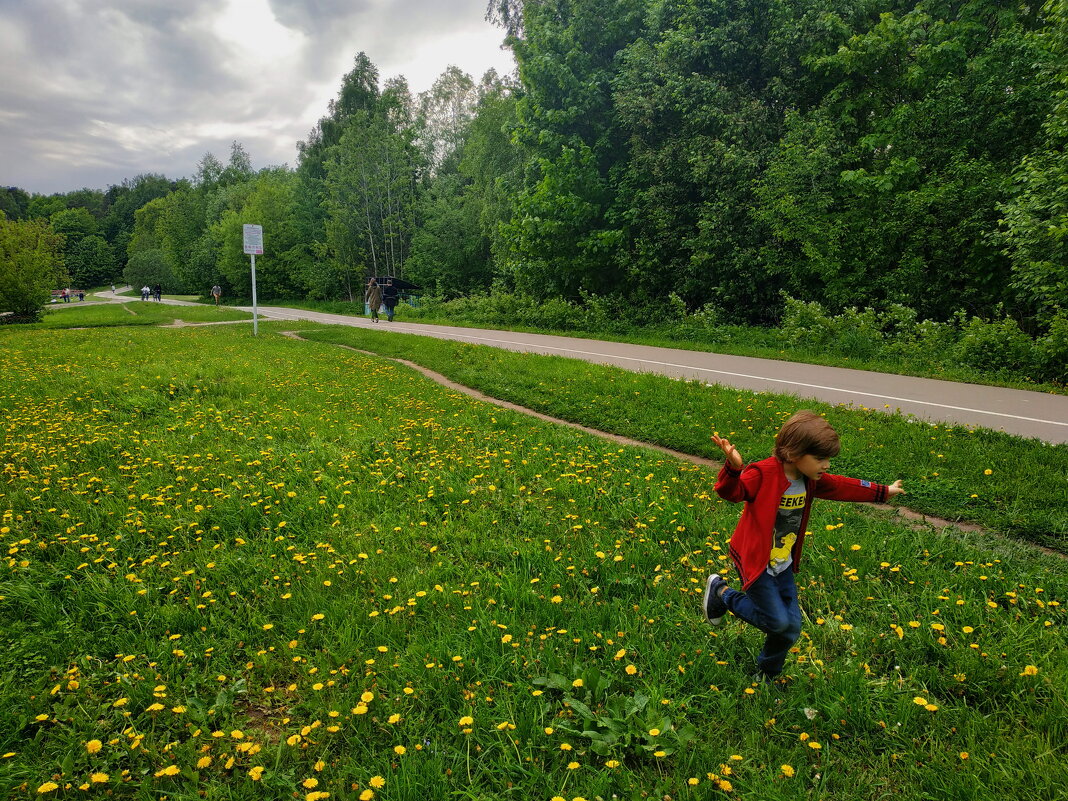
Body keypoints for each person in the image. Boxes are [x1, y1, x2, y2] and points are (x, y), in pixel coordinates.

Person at [703, 410, 905, 686]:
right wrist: (733, 468)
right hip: (757, 561)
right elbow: (731, 493)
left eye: (827, 458)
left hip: (782, 561)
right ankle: (722, 592)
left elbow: (845, 486)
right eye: (820, 458)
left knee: (791, 628)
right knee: (777, 623)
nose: (826, 465)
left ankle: (767, 675)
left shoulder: (810, 480)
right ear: (794, 452)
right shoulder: (763, 473)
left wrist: (884, 491)